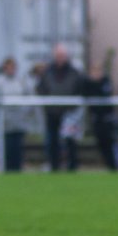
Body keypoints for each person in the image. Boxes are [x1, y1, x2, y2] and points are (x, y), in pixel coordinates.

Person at [37, 43, 84, 171]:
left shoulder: (74, 72)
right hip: (52, 111)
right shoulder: (47, 72)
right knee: (52, 140)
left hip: (69, 112)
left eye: (62, 55)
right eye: (58, 55)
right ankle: (54, 166)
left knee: (70, 141)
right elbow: (41, 88)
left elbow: (79, 88)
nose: (60, 57)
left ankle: (72, 167)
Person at [0, 57, 39, 172]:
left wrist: (25, 112)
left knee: (18, 147)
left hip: (19, 120)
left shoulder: (22, 80)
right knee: (7, 147)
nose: (10, 69)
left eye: (12, 67)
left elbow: (30, 97)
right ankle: (6, 169)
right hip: (5, 121)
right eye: (8, 67)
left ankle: (18, 169)